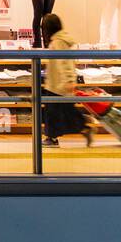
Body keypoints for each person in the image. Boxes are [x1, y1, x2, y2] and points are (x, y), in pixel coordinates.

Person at [39, 12, 95, 148]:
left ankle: (51, 138)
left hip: (57, 85)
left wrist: (69, 80)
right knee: (67, 113)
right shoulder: (61, 40)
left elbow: (64, 63)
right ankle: (85, 128)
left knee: (53, 113)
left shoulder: (58, 42)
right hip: (58, 84)